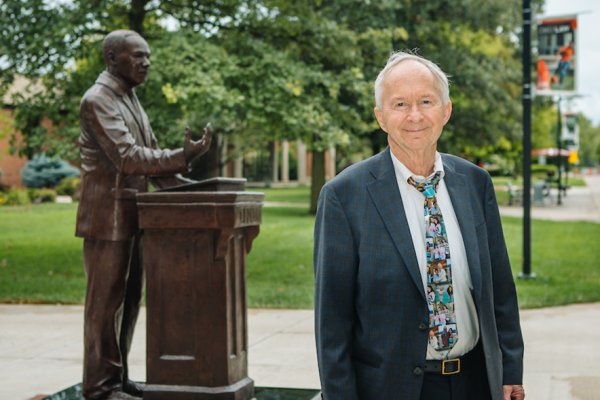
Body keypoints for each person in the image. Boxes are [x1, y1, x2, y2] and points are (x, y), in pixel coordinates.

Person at [314, 51, 524, 400]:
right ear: (381, 117)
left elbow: (500, 290)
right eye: (399, 104)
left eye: (426, 101)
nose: (414, 115)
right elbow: (332, 322)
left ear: (446, 111)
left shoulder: (475, 184)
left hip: (475, 383)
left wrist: (511, 370)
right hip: (388, 389)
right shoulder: (343, 196)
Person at [76, 30, 212, 400]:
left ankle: (117, 378)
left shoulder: (130, 99)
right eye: (137, 56)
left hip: (136, 216)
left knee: (130, 300)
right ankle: (99, 387)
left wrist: (194, 187)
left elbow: (151, 159)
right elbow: (129, 157)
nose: (145, 62)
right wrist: (182, 155)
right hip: (107, 219)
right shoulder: (98, 100)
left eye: (147, 56)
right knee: (105, 306)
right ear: (111, 59)